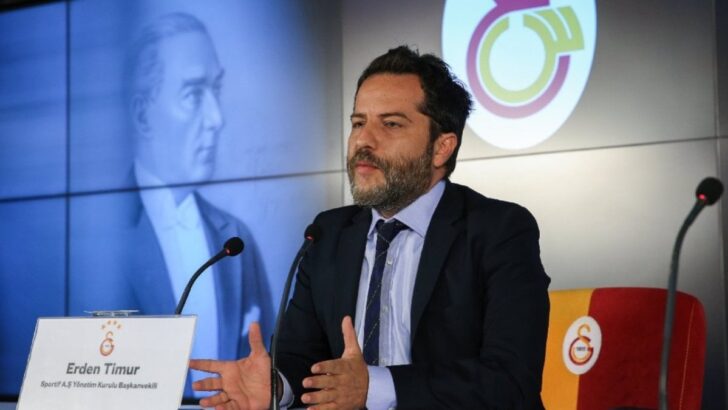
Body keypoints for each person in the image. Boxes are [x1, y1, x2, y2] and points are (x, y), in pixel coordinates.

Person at [190, 45, 550, 409]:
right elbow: (302, 358)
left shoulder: (499, 230)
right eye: (358, 123)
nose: (364, 140)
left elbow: (511, 380)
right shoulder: (328, 234)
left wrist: (373, 387)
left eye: (391, 124)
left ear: (441, 148)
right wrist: (276, 386)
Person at [69, 13, 274, 396]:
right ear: (142, 114)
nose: (216, 118)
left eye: (216, 90)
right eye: (193, 94)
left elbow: (270, 361)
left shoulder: (235, 239)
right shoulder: (96, 241)